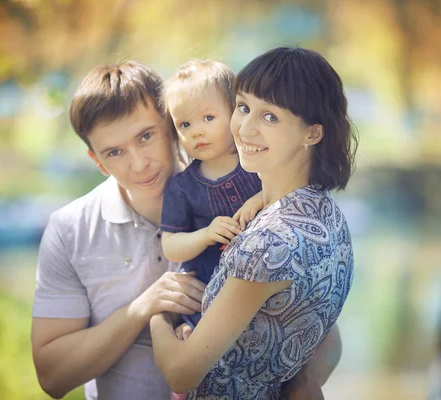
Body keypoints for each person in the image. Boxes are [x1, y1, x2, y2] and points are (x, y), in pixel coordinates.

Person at [31, 59, 342, 400]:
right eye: (115, 152)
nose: (139, 163)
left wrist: (299, 382)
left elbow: (322, 328)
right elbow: (51, 377)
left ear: (170, 125)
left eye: (146, 136)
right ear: (97, 160)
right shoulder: (69, 230)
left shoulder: (252, 192)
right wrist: (144, 309)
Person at [150, 47, 357, 399]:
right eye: (243, 107)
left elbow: (180, 374)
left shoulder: (267, 246)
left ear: (312, 133)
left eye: (270, 117)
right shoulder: (327, 212)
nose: (244, 128)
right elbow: (329, 338)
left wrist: (158, 314)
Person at [160, 60, 263, 329]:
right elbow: (170, 246)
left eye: (208, 118)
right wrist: (204, 235)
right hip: (208, 290)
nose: (196, 131)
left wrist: (262, 199)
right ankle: (188, 328)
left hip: (262, 286)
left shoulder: (258, 164)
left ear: (235, 113)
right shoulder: (182, 187)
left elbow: (290, 193)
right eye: (184, 124)